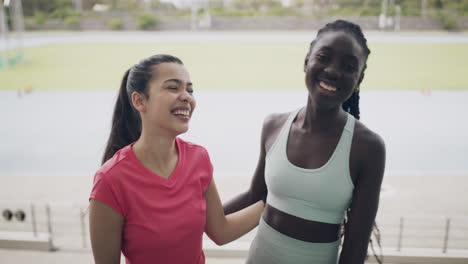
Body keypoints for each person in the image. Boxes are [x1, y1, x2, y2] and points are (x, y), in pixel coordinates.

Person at [223, 20, 386, 264]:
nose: (332, 70)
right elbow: (256, 197)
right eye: (324, 56)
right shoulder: (273, 126)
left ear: (359, 78)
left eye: (349, 65)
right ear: (306, 61)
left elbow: (356, 245)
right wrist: (195, 215)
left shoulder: (368, 148)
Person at [88, 54, 264, 264]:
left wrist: (275, 203)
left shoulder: (198, 158)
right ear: (140, 101)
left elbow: (221, 231)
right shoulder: (110, 180)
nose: (186, 97)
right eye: (173, 88)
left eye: (190, 90)